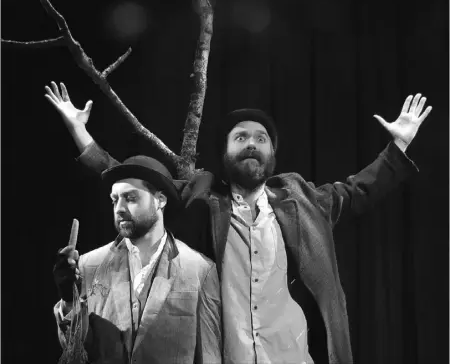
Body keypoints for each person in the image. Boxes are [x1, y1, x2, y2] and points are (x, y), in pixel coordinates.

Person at [46, 81, 432, 364]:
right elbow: (135, 182)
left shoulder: (302, 200)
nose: (252, 143)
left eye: (261, 138)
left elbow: (356, 191)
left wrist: (397, 146)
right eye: (241, 137)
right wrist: (81, 134)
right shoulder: (201, 197)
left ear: (273, 154)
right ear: (225, 152)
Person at [52, 152, 222, 364]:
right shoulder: (88, 265)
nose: (119, 209)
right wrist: (69, 301)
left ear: (160, 200)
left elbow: (210, 355)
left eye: (131, 198)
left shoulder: (200, 270)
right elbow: (74, 349)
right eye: (115, 200)